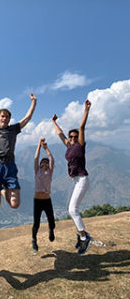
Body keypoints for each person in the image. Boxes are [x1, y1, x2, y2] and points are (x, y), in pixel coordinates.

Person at [52, 99, 92, 255]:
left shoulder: (80, 146)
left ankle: (84, 237)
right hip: (75, 180)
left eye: (75, 136)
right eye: (71, 136)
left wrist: (86, 110)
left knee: (72, 209)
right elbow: (60, 134)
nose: (73, 137)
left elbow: (82, 127)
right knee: (72, 209)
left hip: (82, 179)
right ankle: (81, 235)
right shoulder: (68, 145)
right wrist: (54, 122)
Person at [32, 138, 55, 252]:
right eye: (43, 162)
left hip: (47, 200)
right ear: (40, 165)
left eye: (46, 162)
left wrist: (46, 148)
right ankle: (34, 239)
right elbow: (36, 158)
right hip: (37, 201)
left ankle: (51, 230)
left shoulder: (49, 172)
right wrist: (39, 146)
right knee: (36, 223)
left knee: (52, 221)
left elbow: (51, 158)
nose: (45, 163)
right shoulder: (37, 171)